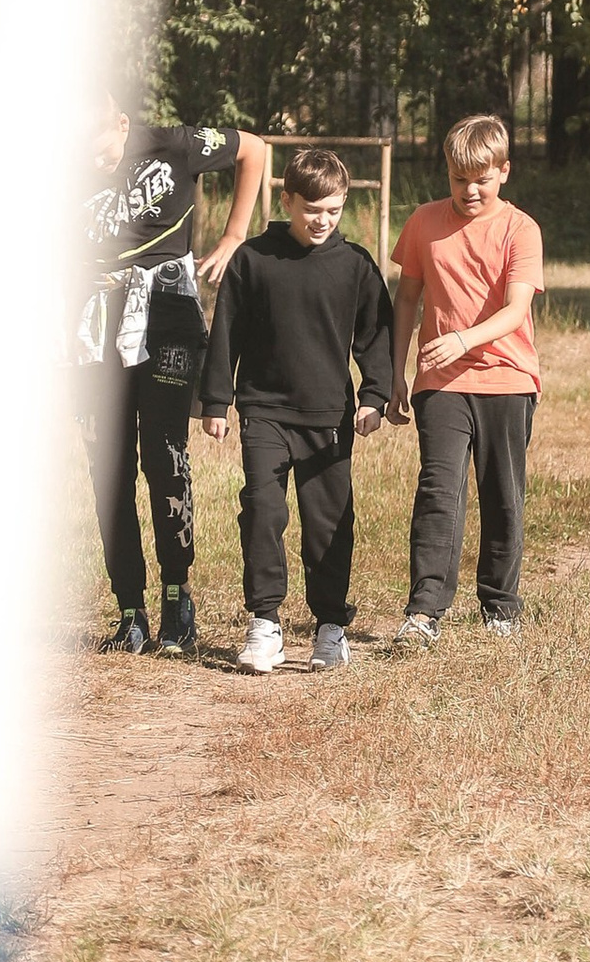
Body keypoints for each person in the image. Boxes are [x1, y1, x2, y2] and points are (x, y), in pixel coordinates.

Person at [200, 144, 395, 675]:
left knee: (328, 524)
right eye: (313, 210)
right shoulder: (254, 260)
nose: (323, 220)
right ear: (287, 200)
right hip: (263, 410)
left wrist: (375, 395)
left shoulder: (355, 265)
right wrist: (216, 401)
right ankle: (265, 624)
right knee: (263, 511)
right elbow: (227, 333)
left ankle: (330, 627)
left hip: (330, 417)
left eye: (333, 210)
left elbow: (377, 335)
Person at [80, 97, 264, 655]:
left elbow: (253, 149)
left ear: (119, 121)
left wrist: (233, 236)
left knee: (165, 454)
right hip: (95, 328)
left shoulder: (172, 144)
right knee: (108, 466)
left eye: (98, 146)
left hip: (166, 316)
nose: (88, 159)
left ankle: (177, 601)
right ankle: (130, 609)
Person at [391, 111, 544, 649]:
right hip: (440, 380)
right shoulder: (423, 223)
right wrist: (394, 377)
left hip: (507, 377)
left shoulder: (520, 229)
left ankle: (500, 607)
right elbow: (406, 299)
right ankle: (424, 611)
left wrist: (463, 338)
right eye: (459, 179)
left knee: (502, 493)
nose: (469, 190)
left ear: (504, 172)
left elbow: (514, 310)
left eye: (481, 179)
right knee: (438, 490)